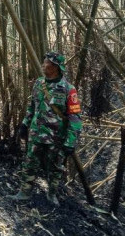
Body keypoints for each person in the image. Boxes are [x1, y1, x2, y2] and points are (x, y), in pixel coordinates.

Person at [9, 52, 82, 206]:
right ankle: (24, 192)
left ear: (55, 67)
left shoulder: (68, 89)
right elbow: (32, 106)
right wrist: (24, 123)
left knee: (55, 167)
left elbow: (75, 118)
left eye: (46, 62)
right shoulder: (39, 83)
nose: (43, 65)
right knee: (29, 162)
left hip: (56, 137)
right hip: (36, 133)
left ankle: (52, 194)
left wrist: (70, 141)